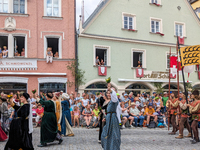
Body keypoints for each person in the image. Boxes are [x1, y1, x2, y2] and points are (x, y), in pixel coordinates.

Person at [101, 83, 121, 150]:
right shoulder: (109, 101)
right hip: (109, 118)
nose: (109, 94)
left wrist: (110, 89)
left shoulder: (114, 100)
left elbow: (114, 97)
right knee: (106, 132)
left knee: (113, 134)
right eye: (108, 93)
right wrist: (105, 118)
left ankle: (114, 147)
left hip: (113, 119)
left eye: (110, 93)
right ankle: (108, 147)